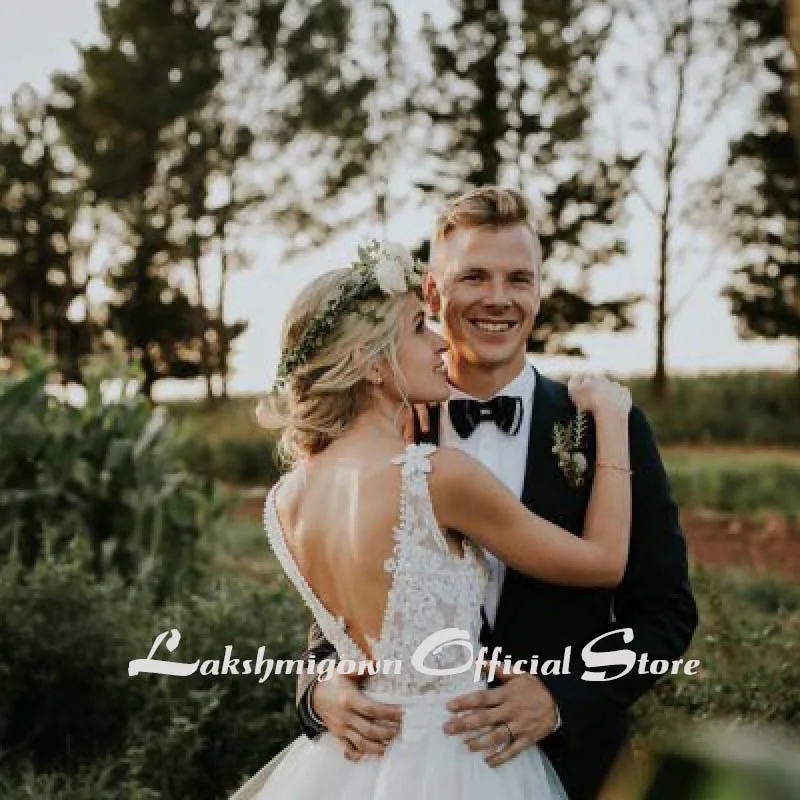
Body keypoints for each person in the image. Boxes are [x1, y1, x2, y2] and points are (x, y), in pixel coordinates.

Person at [292, 188, 698, 800]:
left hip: (572, 768)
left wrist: (559, 697)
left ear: (539, 292)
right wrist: (319, 690)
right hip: (406, 773)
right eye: (475, 276)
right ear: (433, 294)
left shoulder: (605, 427)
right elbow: (341, 615)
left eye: (519, 279)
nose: (499, 298)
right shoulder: (383, 434)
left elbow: (665, 612)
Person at [232, 235, 634, 799]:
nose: (441, 339)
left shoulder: (285, 499)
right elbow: (604, 562)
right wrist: (612, 418)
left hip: (348, 766)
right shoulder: (434, 476)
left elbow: (355, 637)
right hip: (461, 755)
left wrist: (325, 688)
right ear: (371, 363)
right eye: (419, 327)